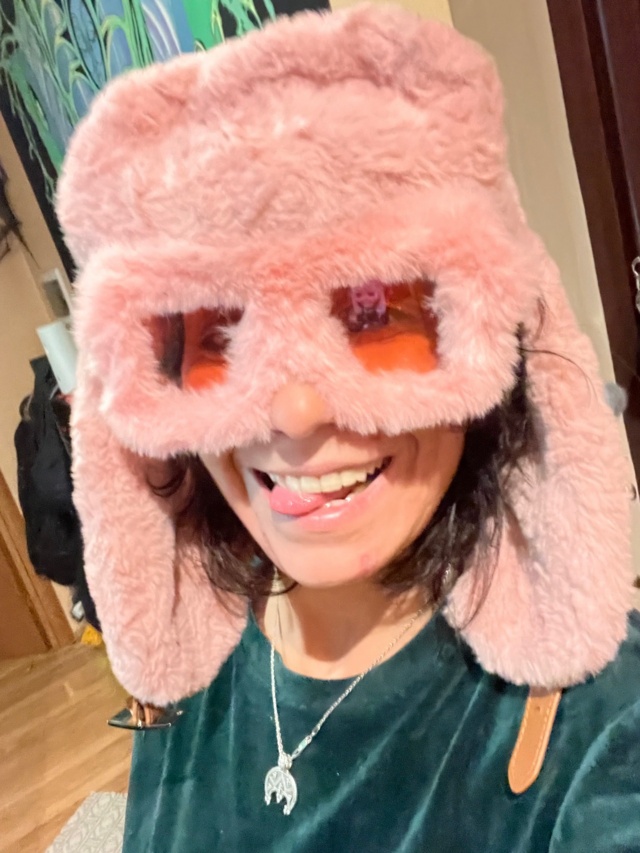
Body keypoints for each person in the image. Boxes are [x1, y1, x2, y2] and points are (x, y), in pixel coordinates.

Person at [55, 6, 640, 851]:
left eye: (372, 312)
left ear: (496, 332)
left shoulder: (604, 728)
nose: (293, 413)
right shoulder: (189, 672)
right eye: (216, 331)